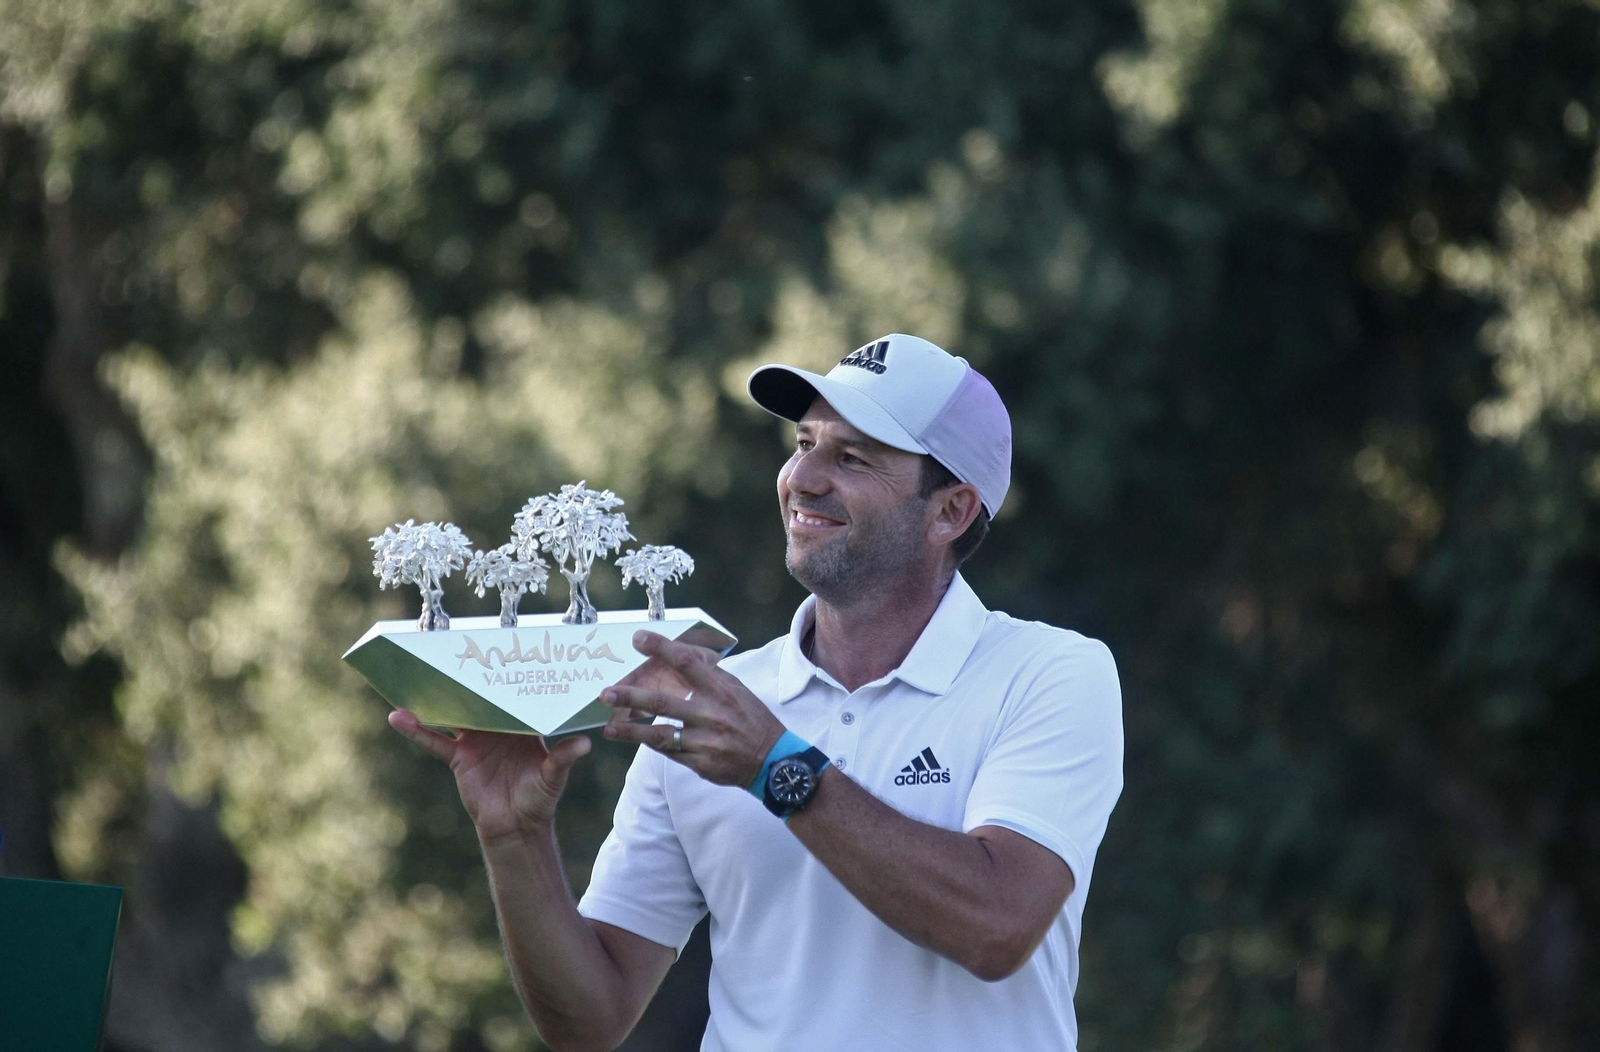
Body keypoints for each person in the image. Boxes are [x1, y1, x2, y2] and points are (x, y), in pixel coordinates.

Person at [388, 333, 1124, 1052]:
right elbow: (590, 1020)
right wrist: (514, 838)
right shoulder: (716, 701)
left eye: (853, 457)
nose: (802, 478)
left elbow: (997, 926)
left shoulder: (1051, 672)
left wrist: (776, 768)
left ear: (950, 512)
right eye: (804, 443)